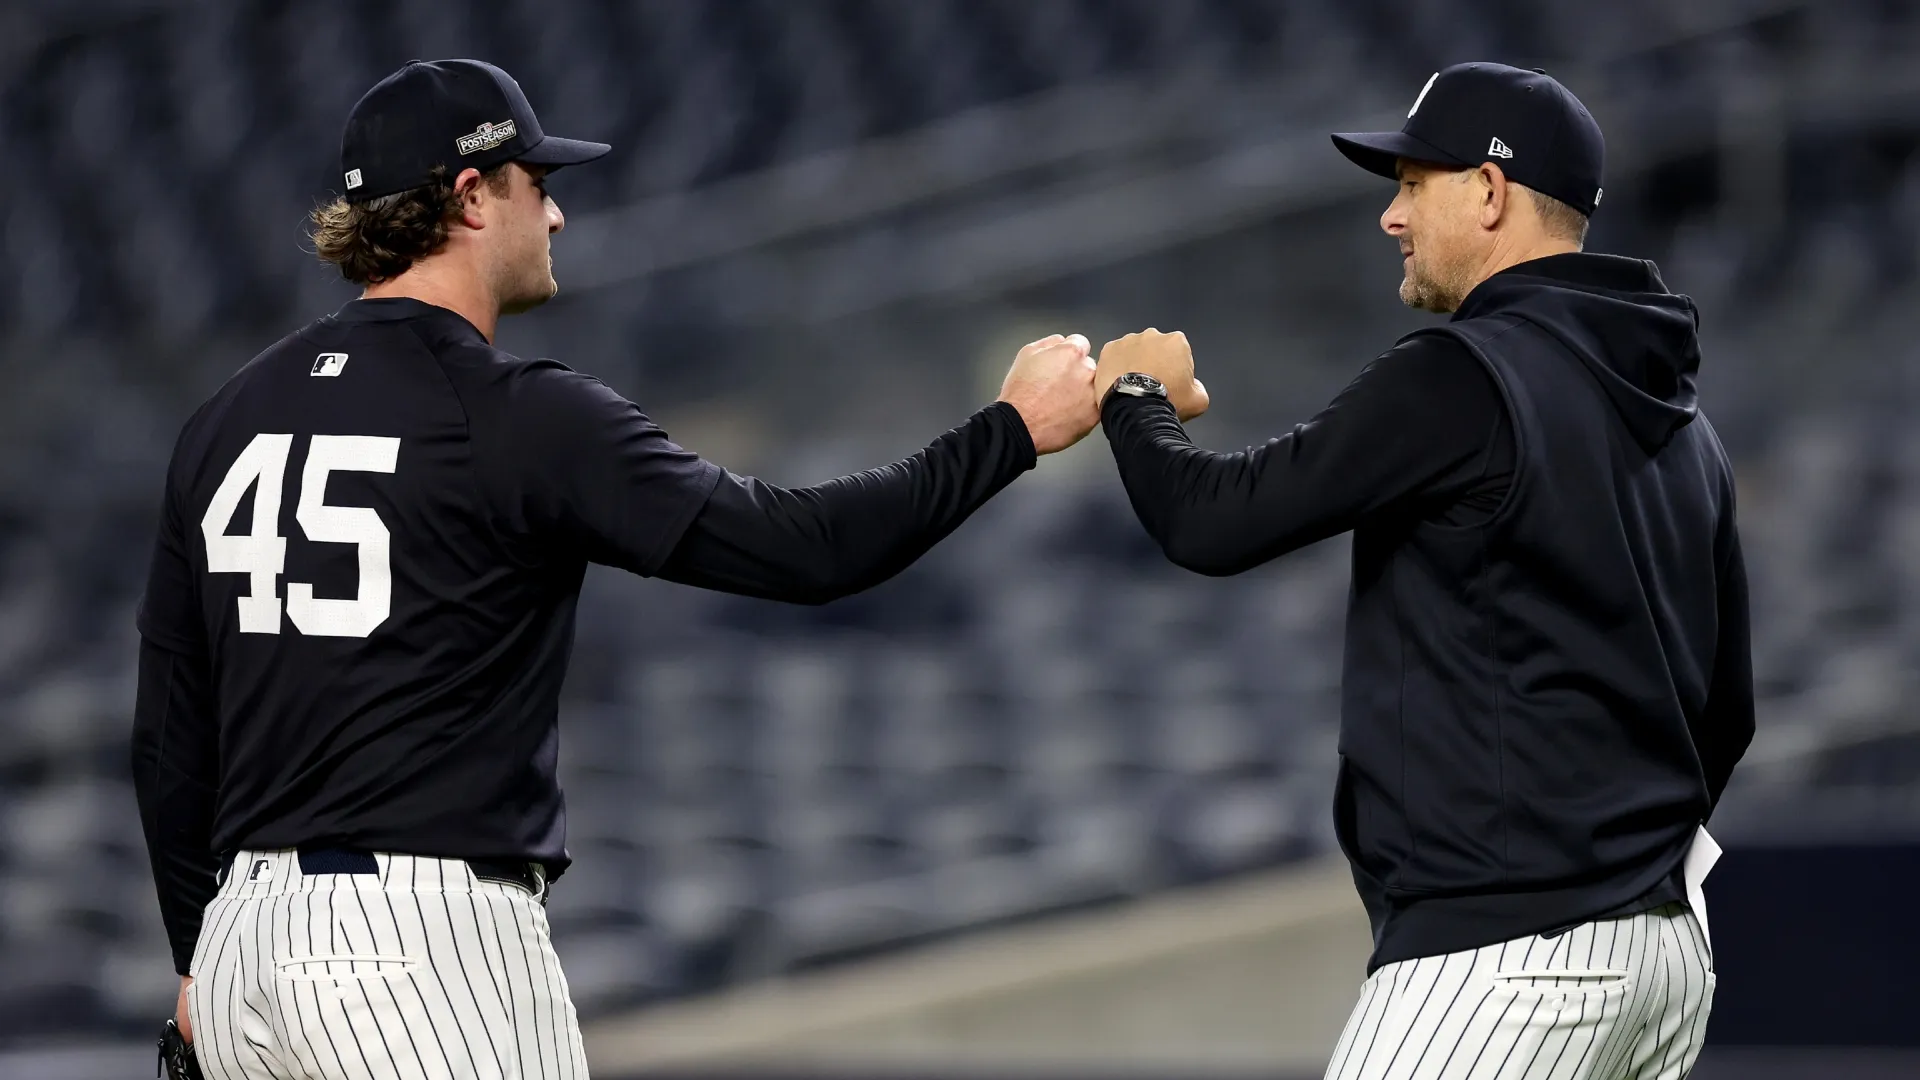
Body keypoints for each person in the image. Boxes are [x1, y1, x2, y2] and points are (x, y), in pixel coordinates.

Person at [132, 58, 1099, 1079]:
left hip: (240, 948)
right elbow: (810, 550)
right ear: (471, 195)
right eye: (537, 185)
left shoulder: (225, 418)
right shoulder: (515, 412)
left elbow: (167, 732)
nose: (556, 219)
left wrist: (200, 955)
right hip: (412, 944)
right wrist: (1011, 433)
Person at [1093, 63, 1753, 1080]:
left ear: (1489, 191)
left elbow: (1211, 522)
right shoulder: (1688, 429)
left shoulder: (1463, 373)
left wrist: (1137, 394)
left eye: (1412, 184)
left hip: (1506, 961)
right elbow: (1727, 715)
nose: (1391, 218)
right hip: (1667, 958)